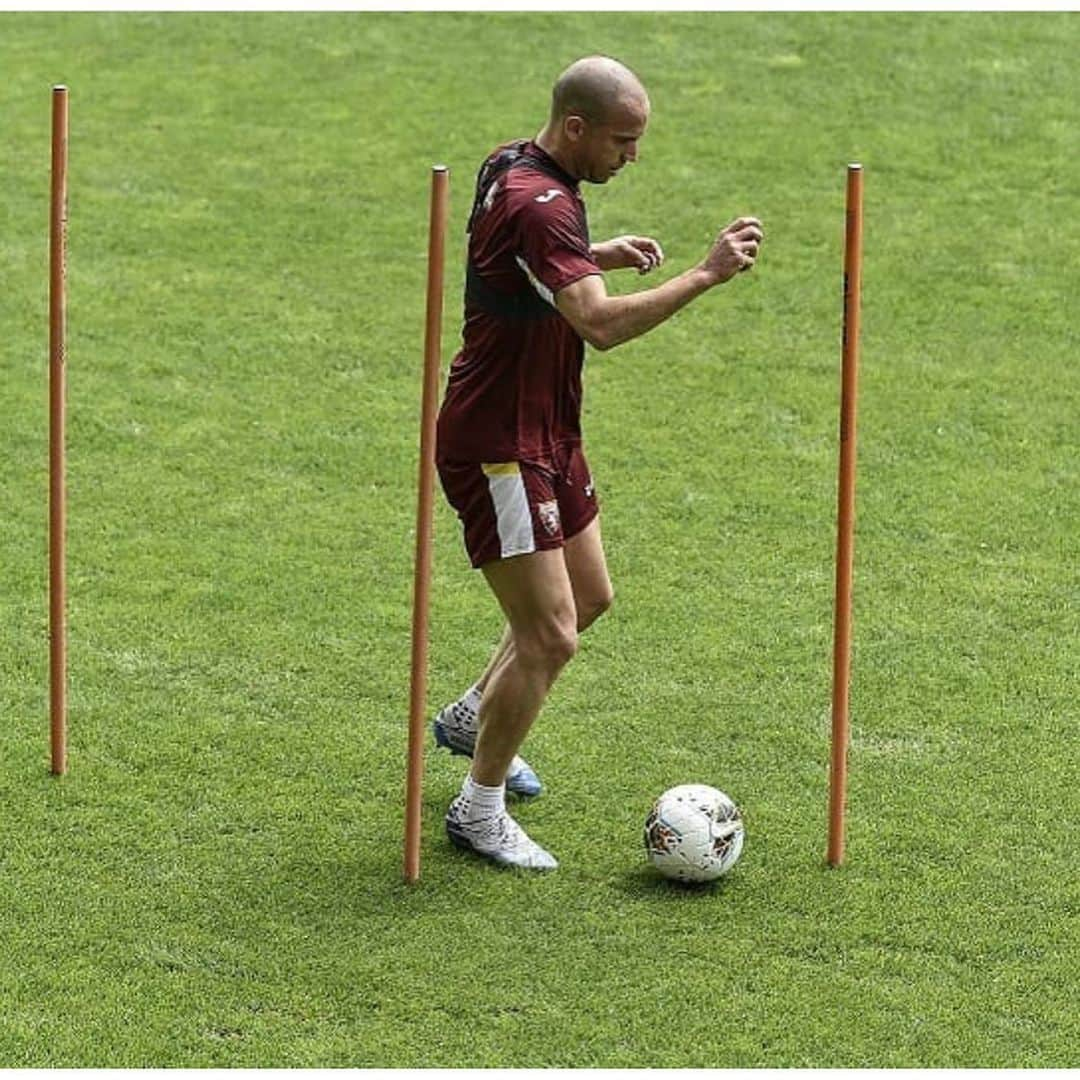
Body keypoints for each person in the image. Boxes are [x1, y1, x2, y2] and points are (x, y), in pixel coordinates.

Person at [432, 55, 764, 870]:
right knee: (549, 636)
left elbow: (508, 258)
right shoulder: (540, 202)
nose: (632, 156)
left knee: (587, 598)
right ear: (575, 128)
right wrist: (705, 274)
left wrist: (593, 254)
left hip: (547, 431)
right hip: (499, 445)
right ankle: (479, 809)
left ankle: (476, 713)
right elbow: (602, 329)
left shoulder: (516, 164)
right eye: (623, 141)